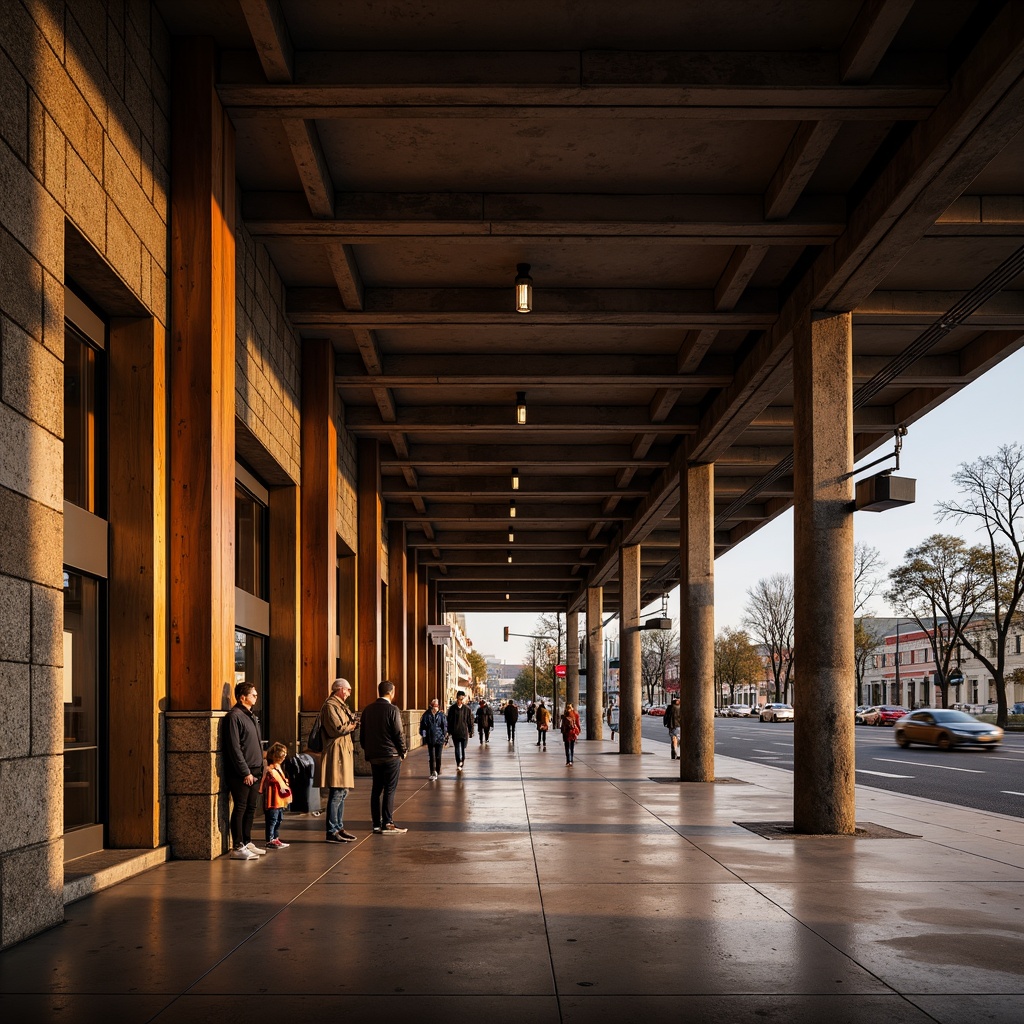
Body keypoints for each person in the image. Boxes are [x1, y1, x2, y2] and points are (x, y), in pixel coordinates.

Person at [359, 680, 409, 834]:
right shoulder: (393, 710)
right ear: (391, 693)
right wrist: (403, 751)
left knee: (376, 789)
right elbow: (398, 733)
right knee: (389, 789)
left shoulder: (367, 710)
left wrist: (369, 749)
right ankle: (387, 823)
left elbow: (362, 736)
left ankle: (376, 824)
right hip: (391, 755)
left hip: (374, 756)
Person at [223, 681, 266, 859]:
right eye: (253, 694)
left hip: (255, 769)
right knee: (240, 807)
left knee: (251, 807)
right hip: (242, 772)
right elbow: (234, 748)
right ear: (243, 697)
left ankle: (247, 841)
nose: (256, 697)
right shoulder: (234, 716)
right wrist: (245, 772)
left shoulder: (251, 716)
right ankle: (238, 846)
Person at [318, 677, 359, 842]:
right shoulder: (330, 705)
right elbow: (337, 728)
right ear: (341, 689)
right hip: (336, 752)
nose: (349, 693)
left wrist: (352, 723)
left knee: (343, 791)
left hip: (343, 750)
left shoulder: (340, 705)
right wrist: (352, 725)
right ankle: (332, 830)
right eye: (348, 690)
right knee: (337, 791)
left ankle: (339, 827)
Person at [259, 741, 292, 848]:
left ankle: (275, 837)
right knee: (272, 820)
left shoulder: (277, 768)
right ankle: (270, 839)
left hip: (279, 799)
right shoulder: (270, 769)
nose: (283, 758)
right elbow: (267, 782)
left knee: (278, 819)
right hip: (272, 800)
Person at [419, 697, 448, 780]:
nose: (436, 708)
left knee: (438, 756)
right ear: (431, 707)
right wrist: (423, 734)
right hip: (430, 738)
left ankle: (437, 770)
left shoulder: (441, 715)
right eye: (434, 706)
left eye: (437, 706)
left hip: (439, 739)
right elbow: (422, 727)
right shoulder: (426, 715)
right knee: (432, 757)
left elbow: (444, 727)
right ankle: (432, 771)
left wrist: (445, 736)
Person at [447, 690, 475, 773]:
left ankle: (462, 761)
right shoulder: (452, 709)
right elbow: (449, 721)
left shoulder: (467, 709)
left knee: (463, 748)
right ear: (457, 699)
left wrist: (471, 731)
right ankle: (458, 762)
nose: (461, 700)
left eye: (462, 699)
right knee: (457, 749)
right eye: (460, 698)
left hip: (464, 732)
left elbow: (470, 721)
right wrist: (449, 732)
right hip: (455, 732)